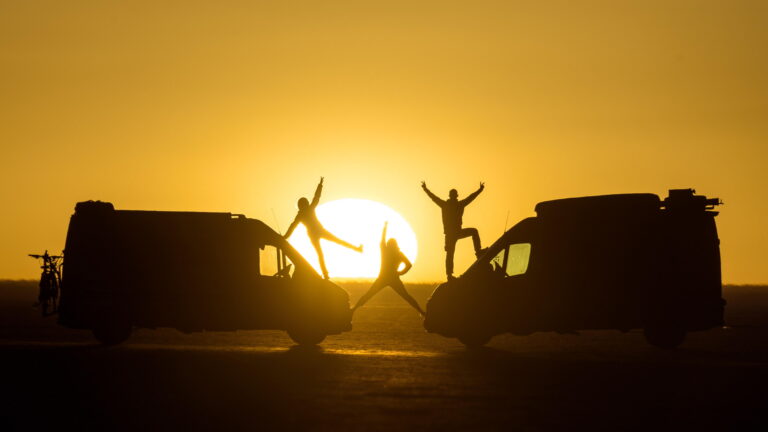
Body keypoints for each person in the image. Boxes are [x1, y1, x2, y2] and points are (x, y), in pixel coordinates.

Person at [284, 177, 362, 279]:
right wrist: (320, 185)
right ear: (304, 205)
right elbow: (316, 198)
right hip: (318, 232)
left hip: (315, 233)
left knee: (322, 253)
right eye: (306, 203)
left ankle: (326, 274)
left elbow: (292, 226)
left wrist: (285, 236)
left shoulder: (301, 214)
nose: (307, 204)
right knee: (333, 245)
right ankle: (355, 250)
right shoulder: (307, 210)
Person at [351, 222, 425, 316]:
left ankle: (353, 310)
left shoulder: (386, 251)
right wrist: (400, 272)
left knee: (368, 295)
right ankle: (422, 312)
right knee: (407, 297)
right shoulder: (398, 253)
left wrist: (385, 227)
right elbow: (409, 265)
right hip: (392, 278)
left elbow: (382, 240)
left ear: (390, 244)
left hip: (384, 278)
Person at [421, 181, 486, 280]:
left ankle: (477, 253)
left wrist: (480, 190)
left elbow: (433, 197)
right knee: (450, 253)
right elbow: (471, 197)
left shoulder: (448, 205)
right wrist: (480, 190)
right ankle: (450, 274)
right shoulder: (453, 205)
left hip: (454, 233)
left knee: (451, 253)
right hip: (452, 234)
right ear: (455, 196)